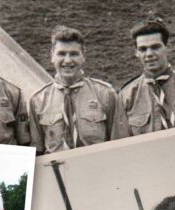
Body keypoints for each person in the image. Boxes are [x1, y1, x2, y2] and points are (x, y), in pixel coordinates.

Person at [29, 26, 124, 154]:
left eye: (74, 54)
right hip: (58, 172)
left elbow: (119, 145)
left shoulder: (106, 94)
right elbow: (38, 152)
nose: (67, 60)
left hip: (97, 169)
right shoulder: (38, 100)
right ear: (52, 56)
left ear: (83, 56)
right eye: (61, 54)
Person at [118, 18, 175, 137]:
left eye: (155, 47)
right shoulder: (126, 96)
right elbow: (123, 145)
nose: (149, 54)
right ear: (136, 52)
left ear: (167, 47)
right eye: (143, 49)